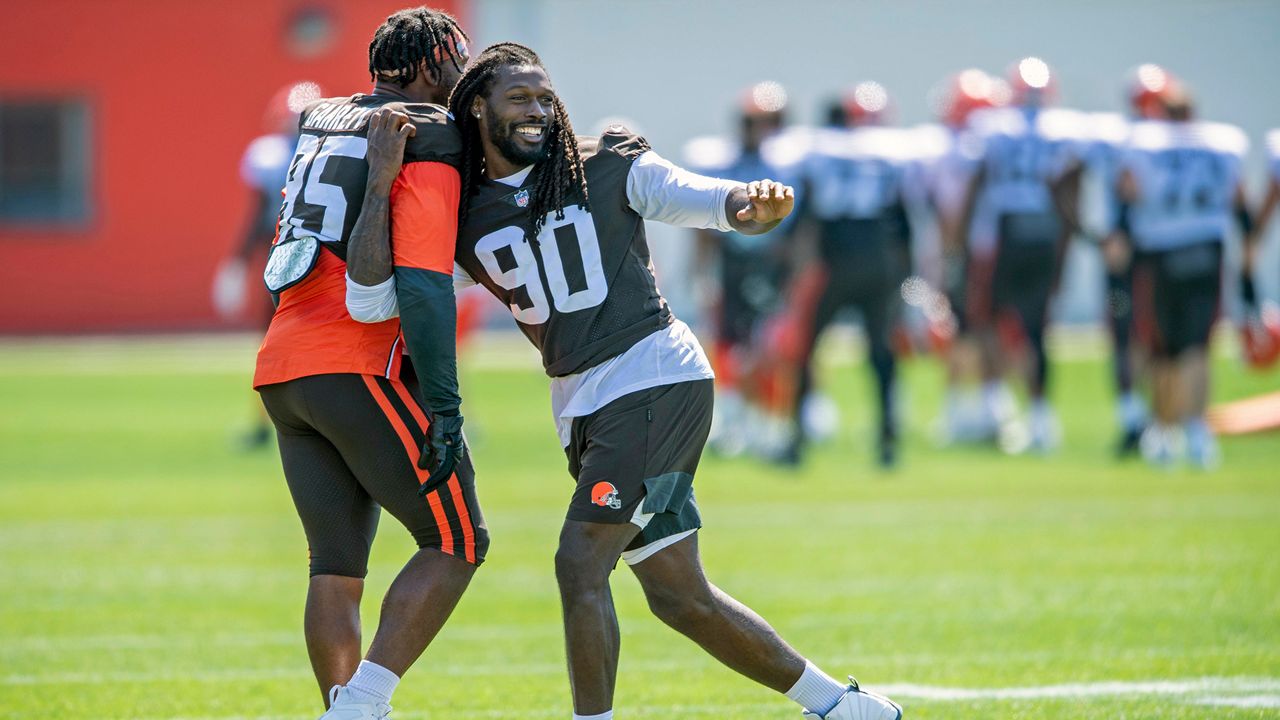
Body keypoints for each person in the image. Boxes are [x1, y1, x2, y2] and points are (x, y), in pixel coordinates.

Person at [347, 42, 902, 720]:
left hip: (652, 376)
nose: (538, 109)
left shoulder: (605, 162)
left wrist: (747, 205)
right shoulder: (466, 212)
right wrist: (379, 188)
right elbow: (375, 302)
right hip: (583, 399)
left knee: (579, 561)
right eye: (519, 98)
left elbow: (701, 198)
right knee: (680, 596)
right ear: (478, 108)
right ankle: (843, 706)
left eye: (545, 97)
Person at [252, 9, 487, 720]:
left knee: (334, 565)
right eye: (457, 62)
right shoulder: (426, 129)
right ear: (430, 63)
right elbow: (422, 283)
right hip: (354, 360)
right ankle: (362, 703)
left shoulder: (322, 117)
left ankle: (341, 709)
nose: (463, 77)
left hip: (282, 363)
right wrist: (444, 404)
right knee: (457, 539)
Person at [1116, 85, 1252, 468]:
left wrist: (1120, 236)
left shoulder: (1143, 143)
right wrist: (1249, 254)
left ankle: (1163, 432)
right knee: (1198, 346)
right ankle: (1197, 432)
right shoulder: (1223, 143)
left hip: (1160, 251)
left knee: (1162, 348)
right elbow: (1239, 200)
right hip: (1208, 250)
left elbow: (1127, 191)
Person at [786, 81, 916, 467]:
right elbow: (903, 222)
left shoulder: (816, 153)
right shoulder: (884, 156)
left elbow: (804, 215)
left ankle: (796, 440)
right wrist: (907, 275)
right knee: (881, 350)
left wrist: (796, 267)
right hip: (878, 257)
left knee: (807, 348)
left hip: (836, 260)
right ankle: (888, 437)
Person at [960, 57, 1086, 453]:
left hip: (1006, 232)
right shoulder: (1064, 130)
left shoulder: (992, 128)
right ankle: (1039, 416)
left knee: (990, 319)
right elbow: (1070, 194)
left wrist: (961, 241)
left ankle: (997, 405)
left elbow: (976, 183)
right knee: (1036, 328)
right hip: (1045, 232)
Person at [683, 82, 803, 458]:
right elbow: (705, 220)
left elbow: (799, 228)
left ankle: (767, 421)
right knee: (728, 342)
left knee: (769, 344)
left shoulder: (789, 164)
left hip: (770, 264)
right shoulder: (721, 163)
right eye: (753, 122)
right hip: (733, 261)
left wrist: (794, 270)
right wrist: (701, 271)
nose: (761, 130)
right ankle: (733, 417)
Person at [213, 81, 320, 449]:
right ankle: (271, 421)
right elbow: (260, 216)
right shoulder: (319, 153)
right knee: (277, 346)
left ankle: (286, 422)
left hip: (303, 264)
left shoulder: (307, 154)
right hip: (298, 263)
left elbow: (259, 216)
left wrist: (238, 263)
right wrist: (238, 264)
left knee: (287, 345)